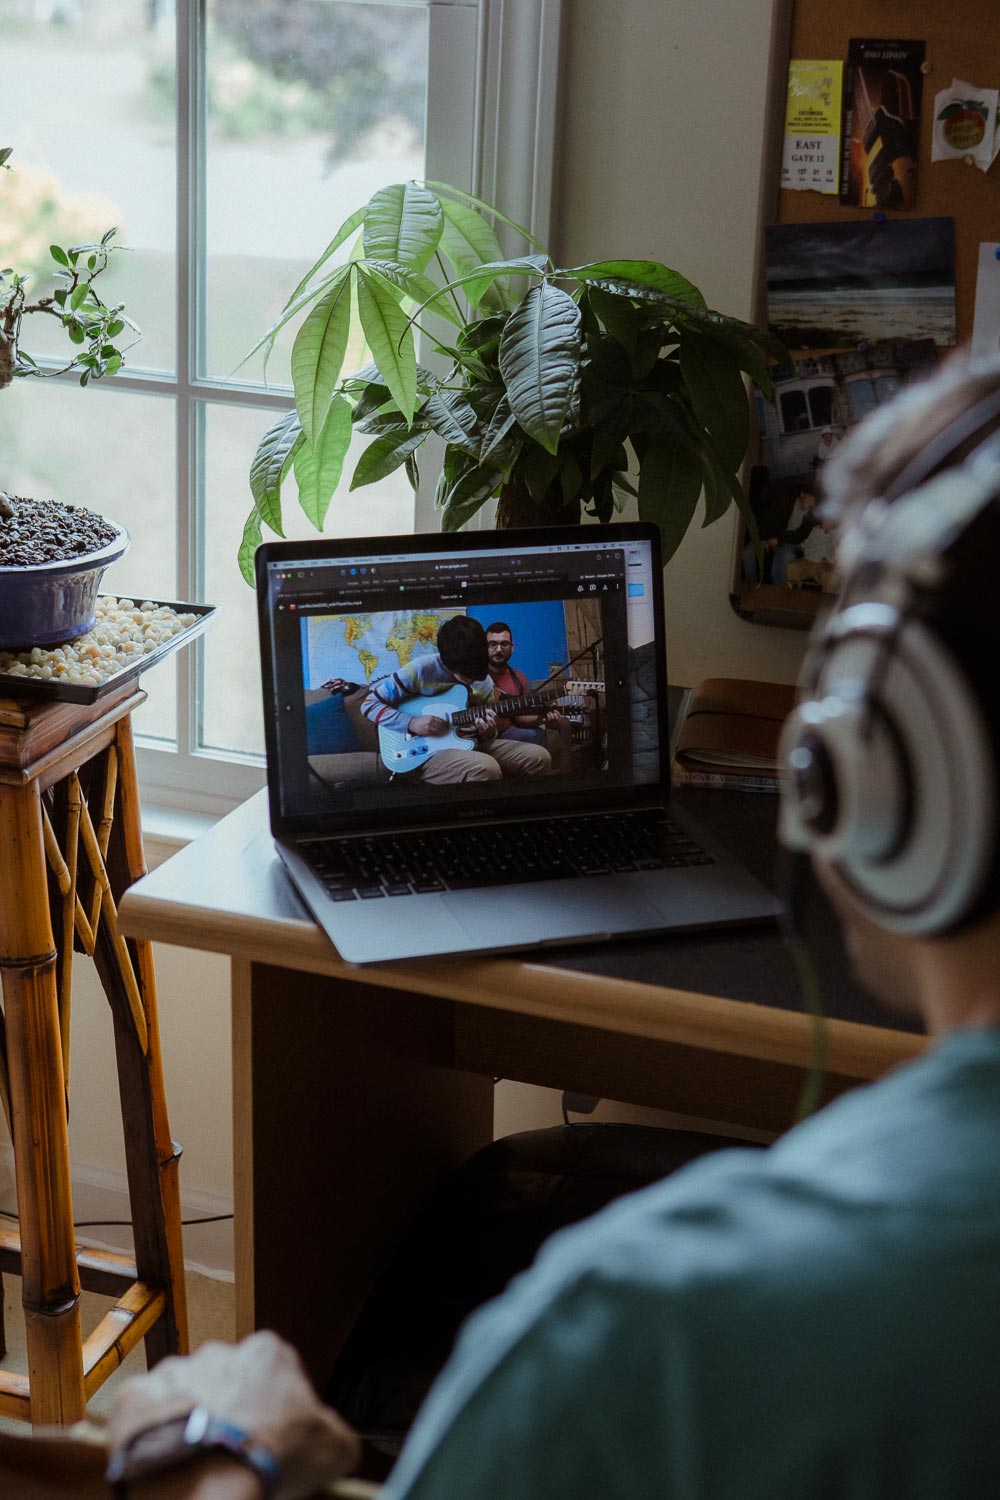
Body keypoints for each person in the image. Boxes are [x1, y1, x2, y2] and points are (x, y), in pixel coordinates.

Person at [103, 356, 1000, 1498]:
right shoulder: (412, 688)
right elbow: (383, 718)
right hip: (421, 774)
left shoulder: (638, 1324)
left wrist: (212, 1458)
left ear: (863, 775)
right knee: (484, 754)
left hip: (478, 764)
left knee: (517, 749)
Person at [360, 615, 550, 784]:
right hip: (428, 751)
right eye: (466, 675)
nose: (473, 679)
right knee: (485, 767)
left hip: (472, 743)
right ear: (446, 661)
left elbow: (489, 728)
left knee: (539, 757)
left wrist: (489, 731)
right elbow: (369, 705)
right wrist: (412, 723)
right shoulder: (420, 670)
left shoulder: (483, 678)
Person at [485, 621, 574, 773]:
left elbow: (520, 718)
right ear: (485, 647)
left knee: (539, 732)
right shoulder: (475, 676)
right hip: (483, 733)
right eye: (493, 644)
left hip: (510, 730)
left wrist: (541, 718)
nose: (498, 649)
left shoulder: (520, 679)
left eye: (504, 644)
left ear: (512, 647)